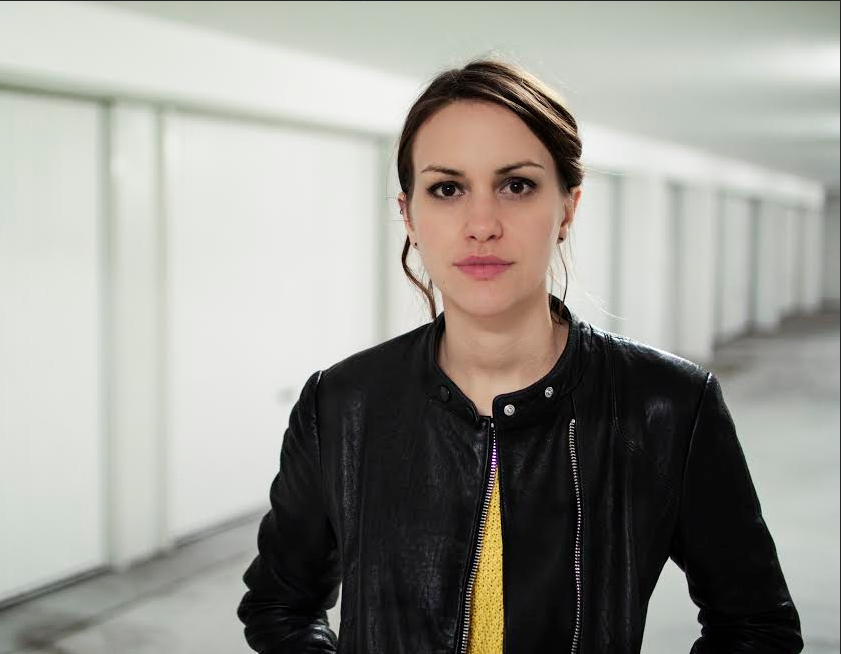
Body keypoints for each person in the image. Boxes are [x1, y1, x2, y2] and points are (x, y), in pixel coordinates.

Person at [237, 56, 802, 654]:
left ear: (567, 208)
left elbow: (756, 627)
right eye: (447, 189)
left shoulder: (668, 406)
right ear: (409, 215)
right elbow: (280, 606)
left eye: (517, 186)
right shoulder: (341, 405)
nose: (482, 224)